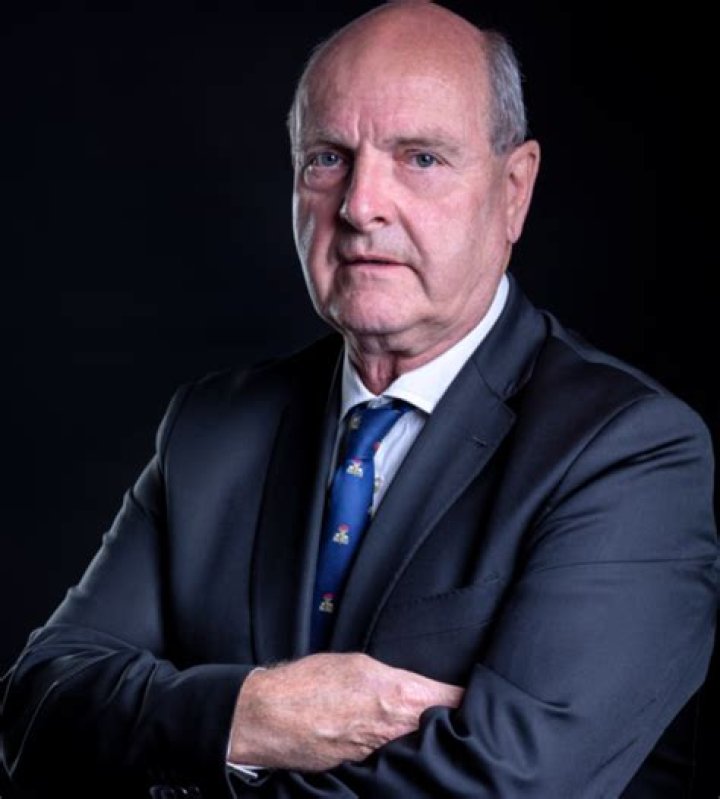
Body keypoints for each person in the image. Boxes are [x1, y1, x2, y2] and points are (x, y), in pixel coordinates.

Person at [1, 2, 717, 797]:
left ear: (514, 190)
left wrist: (179, 758)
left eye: (421, 158)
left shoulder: (628, 451)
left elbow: (508, 787)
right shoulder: (211, 430)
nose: (359, 204)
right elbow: (40, 709)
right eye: (328, 158)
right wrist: (255, 712)